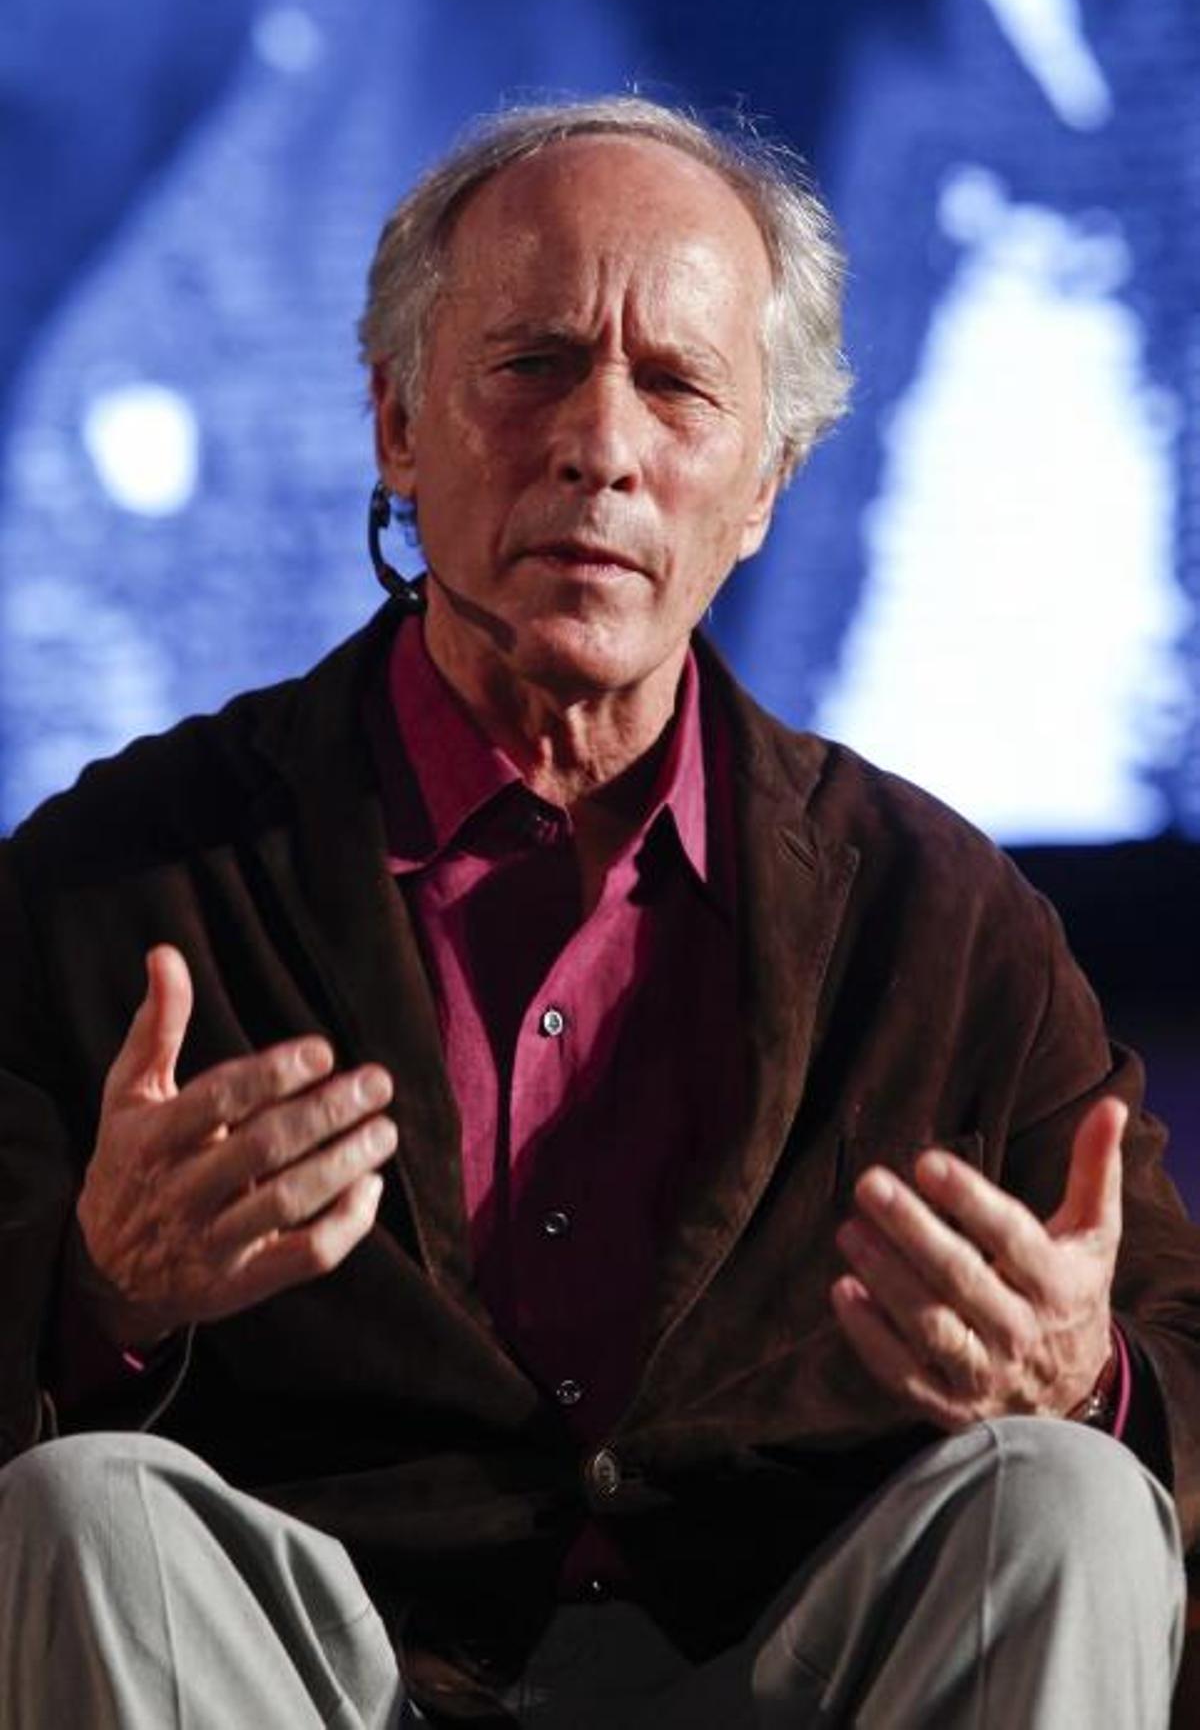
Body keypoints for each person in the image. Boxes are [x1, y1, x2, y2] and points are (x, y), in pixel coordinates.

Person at [0, 96, 1194, 1729]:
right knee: (86, 1508)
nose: (601, 447)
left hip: (796, 1677)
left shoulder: (941, 914)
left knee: (1067, 1496)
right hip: (320, 1679)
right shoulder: (124, 879)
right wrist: (101, 1301)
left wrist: (1085, 1379)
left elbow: (1171, 1340)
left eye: (680, 387)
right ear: (397, 425)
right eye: (532, 364)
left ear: (767, 484)